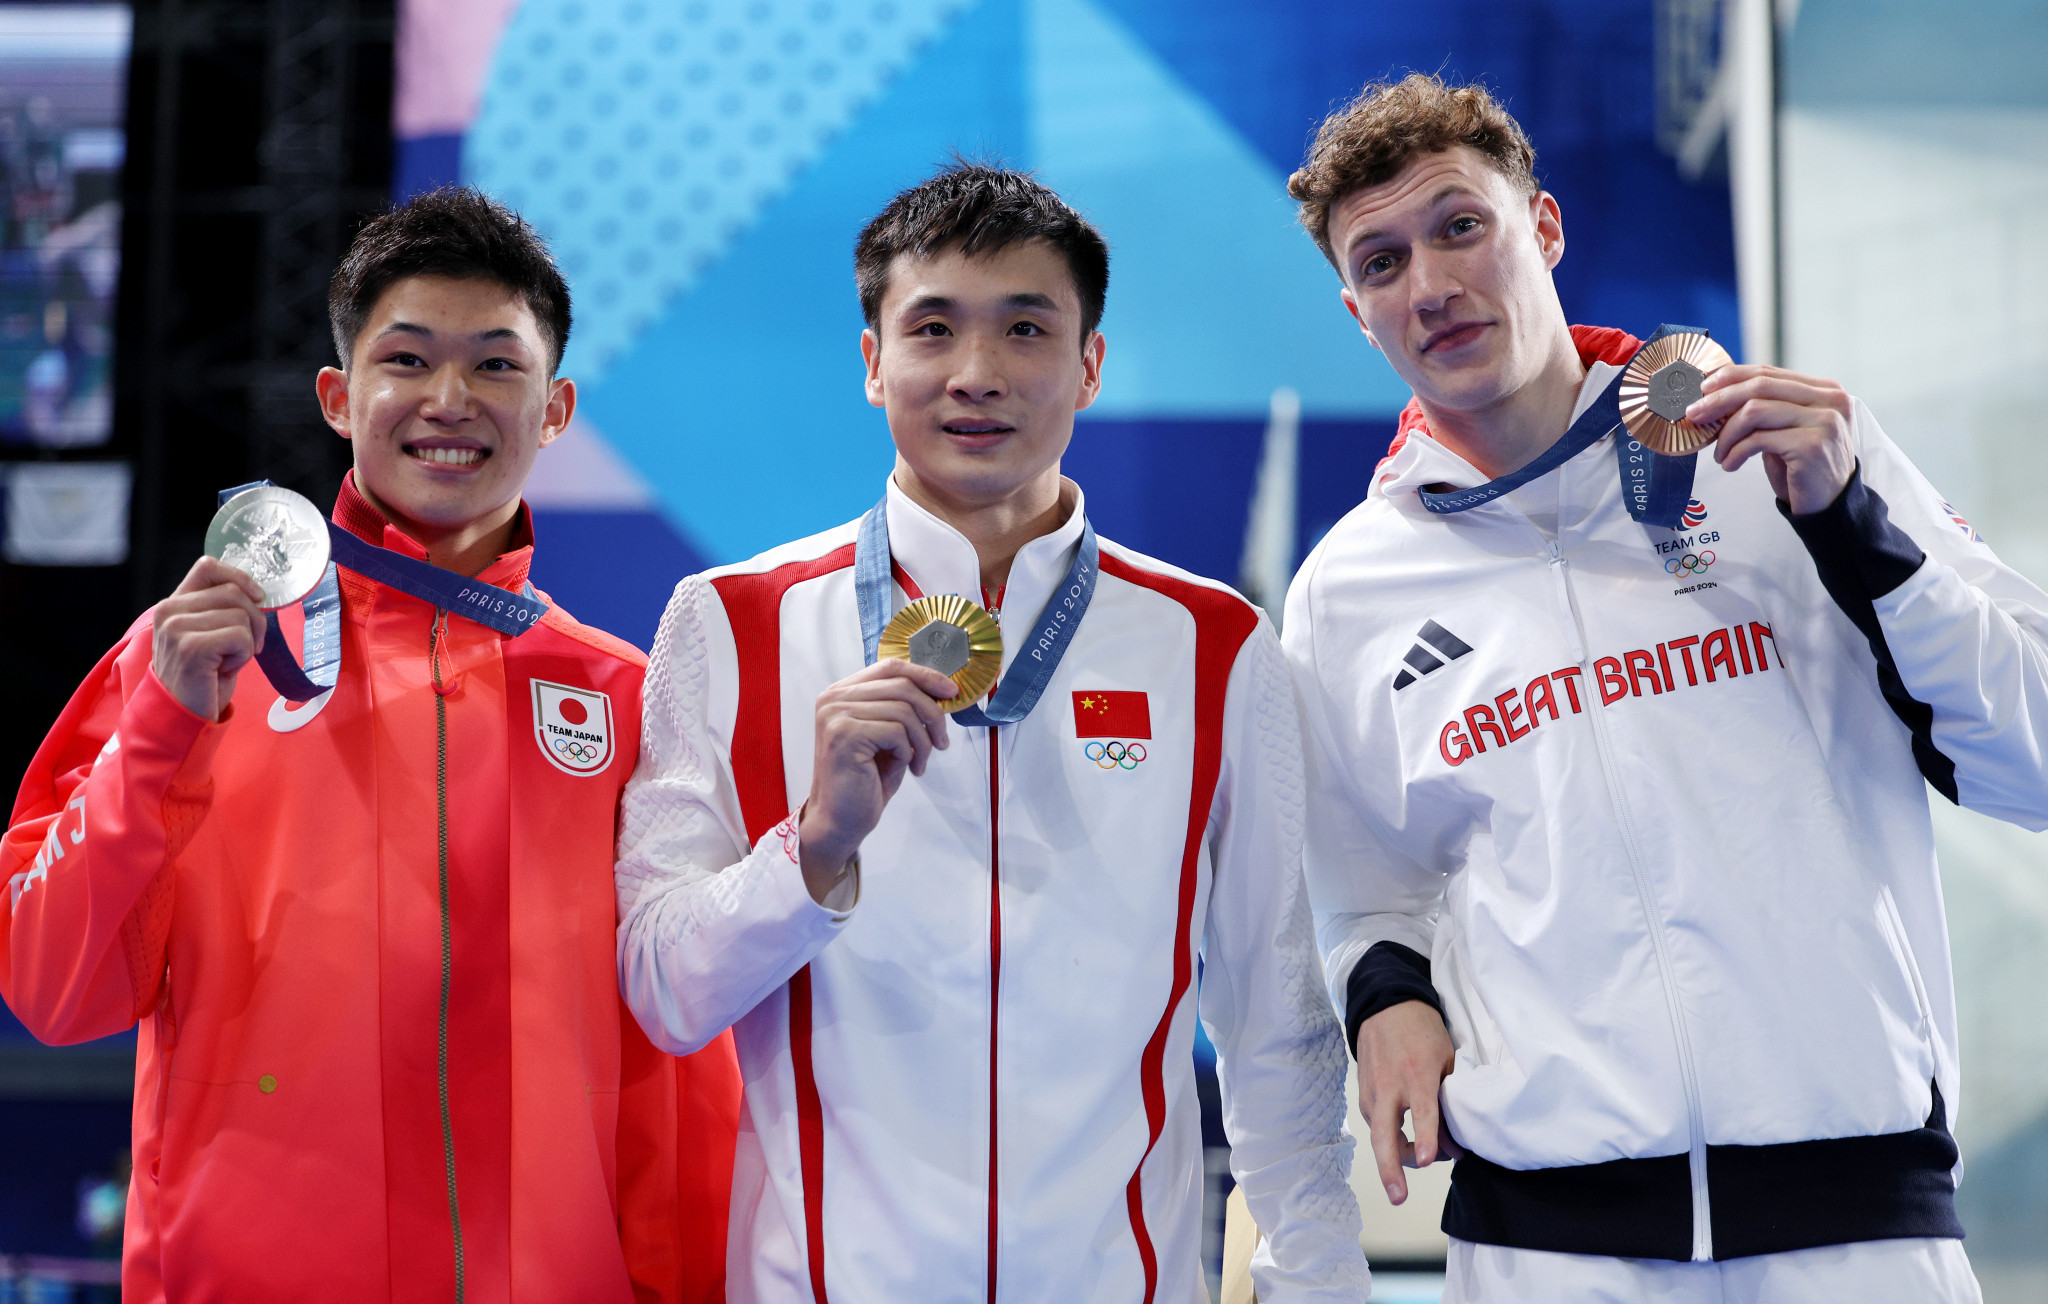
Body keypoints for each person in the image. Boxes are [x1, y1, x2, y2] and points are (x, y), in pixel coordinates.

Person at [1278, 73, 2026, 1301]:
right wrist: (1383, 999)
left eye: (1460, 225)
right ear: (1355, 309)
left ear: (1545, 227)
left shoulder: (1786, 453)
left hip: (1858, 1229)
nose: (1428, 284)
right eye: (1379, 261)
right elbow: (1365, 891)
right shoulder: (1344, 591)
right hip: (1539, 1252)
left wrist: (1853, 528)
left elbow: (2032, 756)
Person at [615, 163, 1368, 1302]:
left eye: (1025, 328)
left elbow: (1275, 1023)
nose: (977, 373)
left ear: (1088, 365)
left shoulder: (1212, 645)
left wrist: (1319, 1284)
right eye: (932, 328)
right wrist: (810, 850)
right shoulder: (730, 623)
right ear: (872, 363)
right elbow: (661, 990)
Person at [0, 187, 739, 1303]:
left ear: (555, 409)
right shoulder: (192, 657)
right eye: (408, 359)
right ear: (341, 397)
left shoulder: (623, 696)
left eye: (497, 364)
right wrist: (159, 730)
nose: (450, 398)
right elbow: (53, 990)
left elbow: (676, 1075)